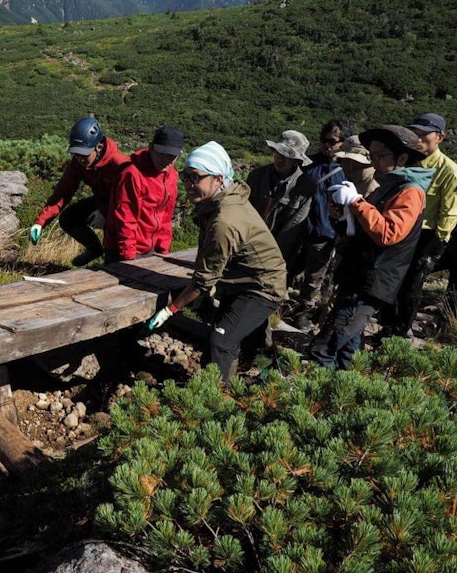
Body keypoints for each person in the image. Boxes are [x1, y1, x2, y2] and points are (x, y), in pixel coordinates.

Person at [146, 142, 287, 382]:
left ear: (218, 179)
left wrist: (171, 310)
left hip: (262, 287)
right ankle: (240, 373)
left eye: (196, 178)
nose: (189, 184)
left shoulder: (224, 220)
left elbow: (202, 281)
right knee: (228, 335)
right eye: (186, 176)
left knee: (220, 342)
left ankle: (217, 398)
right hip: (242, 278)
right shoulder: (222, 201)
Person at [311, 125, 433, 369]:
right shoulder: (389, 185)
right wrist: (343, 215)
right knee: (347, 348)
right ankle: (342, 396)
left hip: (372, 279)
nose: (374, 161)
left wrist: (356, 202)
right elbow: (365, 229)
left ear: (402, 158)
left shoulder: (410, 191)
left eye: (380, 156)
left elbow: (389, 233)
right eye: (372, 155)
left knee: (326, 346)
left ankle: (316, 399)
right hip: (359, 274)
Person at [381, 113, 457, 338]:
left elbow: (450, 212)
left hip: (426, 234)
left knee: (411, 284)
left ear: (440, 137)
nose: (418, 138)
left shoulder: (450, 171)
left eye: (423, 134)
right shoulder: (405, 161)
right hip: (400, 227)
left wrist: (436, 246)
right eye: (414, 133)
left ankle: (401, 331)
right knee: (390, 279)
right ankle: (387, 326)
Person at [29, 116, 130, 267]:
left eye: (84, 154)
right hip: (102, 202)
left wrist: (107, 215)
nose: (79, 159)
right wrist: (40, 222)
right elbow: (63, 192)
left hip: (122, 211)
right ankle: (95, 249)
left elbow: (130, 205)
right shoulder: (78, 163)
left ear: (99, 147)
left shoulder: (121, 165)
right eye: (75, 154)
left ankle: (113, 259)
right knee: (69, 218)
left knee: (114, 266)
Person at [289, 120, 350, 332]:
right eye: (324, 140)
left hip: (325, 231)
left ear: (343, 142)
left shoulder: (347, 169)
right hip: (298, 228)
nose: (327, 145)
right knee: (287, 267)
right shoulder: (307, 164)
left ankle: (304, 310)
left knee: (314, 276)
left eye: (332, 141)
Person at [103, 125, 183, 262]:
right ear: (151, 148)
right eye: (162, 154)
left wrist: (163, 249)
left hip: (150, 249)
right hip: (124, 250)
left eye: (172, 156)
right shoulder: (132, 174)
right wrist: (128, 257)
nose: (167, 160)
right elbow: (126, 219)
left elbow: (166, 215)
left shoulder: (171, 175)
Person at [246, 130, 316, 264]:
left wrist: (273, 256)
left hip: (277, 252)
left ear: (296, 160)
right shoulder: (256, 176)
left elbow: (292, 228)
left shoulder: (305, 187)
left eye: (287, 155)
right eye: (278, 152)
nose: (280, 158)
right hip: (247, 242)